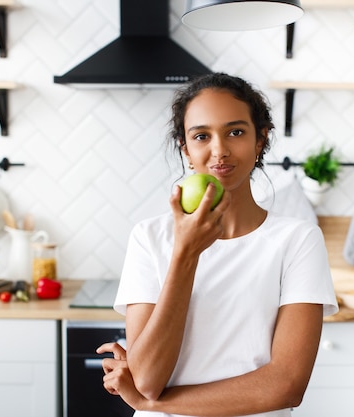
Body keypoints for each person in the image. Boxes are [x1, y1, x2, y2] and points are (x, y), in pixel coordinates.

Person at [97, 72, 338, 417]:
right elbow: (148, 378)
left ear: (260, 140)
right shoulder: (150, 237)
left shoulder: (297, 240)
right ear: (186, 148)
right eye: (201, 136)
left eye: (236, 132)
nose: (219, 150)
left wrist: (151, 403)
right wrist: (185, 253)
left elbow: (286, 385)